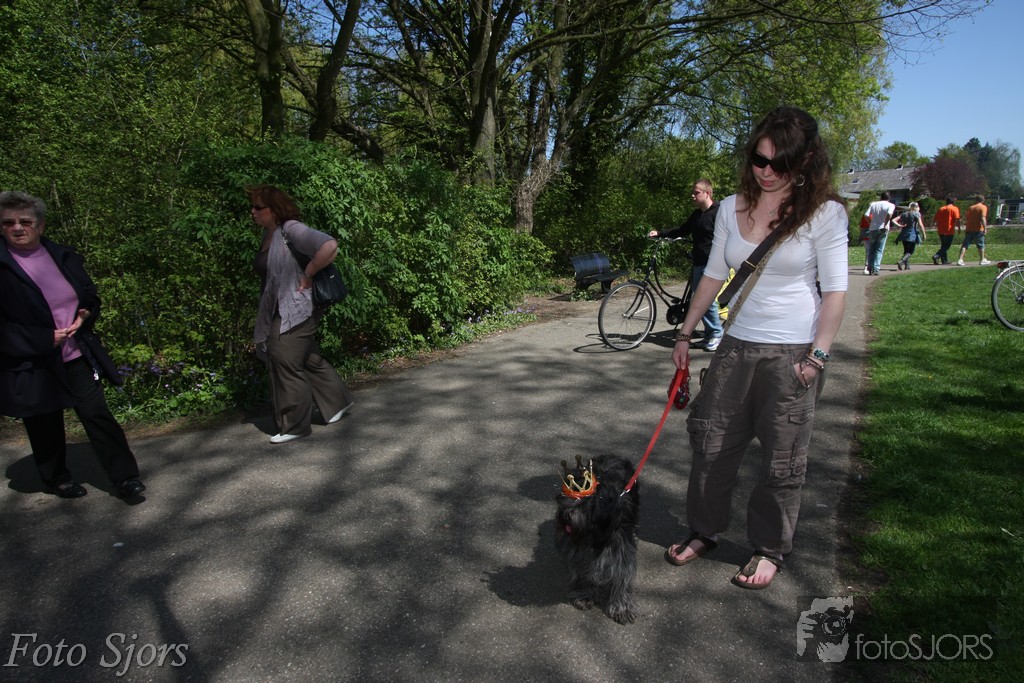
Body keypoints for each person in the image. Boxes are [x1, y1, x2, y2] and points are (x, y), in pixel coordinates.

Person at [662, 107, 848, 590]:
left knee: (782, 458)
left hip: (794, 353)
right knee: (711, 443)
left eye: (779, 164)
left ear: (804, 162)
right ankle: (704, 530)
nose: (766, 172)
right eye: (759, 160)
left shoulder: (825, 214)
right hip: (736, 345)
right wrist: (684, 334)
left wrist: (817, 357)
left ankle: (769, 548)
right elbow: (713, 275)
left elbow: (835, 292)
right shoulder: (729, 207)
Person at [0, 191, 146, 499]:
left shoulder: (62, 254)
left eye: (25, 221)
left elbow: (89, 294)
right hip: (33, 360)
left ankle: (125, 478)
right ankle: (57, 478)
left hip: (75, 352)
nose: (17, 228)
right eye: (8, 223)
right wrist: (42, 339)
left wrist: (86, 312)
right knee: (44, 421)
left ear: (40, 225)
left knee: (97, 413)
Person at [249, 184, 354, 443]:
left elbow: (329, 245)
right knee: (307, 357)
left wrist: (308, 273)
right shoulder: (269, 235)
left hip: (298, 306)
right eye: (251, 207)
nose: (253, 211)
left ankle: (294, 424)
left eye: (258, 207)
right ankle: (337, 402)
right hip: (282, 306)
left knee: (282, 356)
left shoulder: (291, 228)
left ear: (274, 209)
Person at [647, 179, 723, 351]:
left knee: (705, 299)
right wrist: (660, 233)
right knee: (698, 300)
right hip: (698, 262)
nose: (693, 196)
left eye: (696, 192)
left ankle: (716, 334)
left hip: (712, 264)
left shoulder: (719, 213)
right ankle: (710, 334)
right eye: (693, 192)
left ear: (707, 193)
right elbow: (681, 230)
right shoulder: (697, 215)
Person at [864, 191, 896, 275]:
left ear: (881, 197)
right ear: (889, 198)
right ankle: (876, 268)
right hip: (883, 228)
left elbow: (866, 215)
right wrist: (885, 223)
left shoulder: (874, 204)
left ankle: (870, 267)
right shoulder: (891, 205)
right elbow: (889, 214)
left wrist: (870, 223)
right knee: (879, 249)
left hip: (873, 228)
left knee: (871, 249)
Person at [957, 195, 990, 266]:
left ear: (975, 200)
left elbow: (967, 217)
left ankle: (960, 259)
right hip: (978, 229)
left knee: (965, 245)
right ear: (983, 200)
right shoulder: (983, 207)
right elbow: (982, 218)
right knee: (981, 245)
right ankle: (982, 259)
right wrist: (985, 228)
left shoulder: (971, 207)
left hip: (969, 228)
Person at [892, 201, 926, 270]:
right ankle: (901, 261)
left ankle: (907, 266)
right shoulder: (916, 214)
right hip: (912, 234)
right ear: (916, 207)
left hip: (903, 233)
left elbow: (893, 220)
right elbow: (920, 225)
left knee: (906, 250)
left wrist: (899, 225)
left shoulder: (904, 214)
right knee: (911, 251)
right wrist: (924, 234)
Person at [931, 196, 961, 265]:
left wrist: (933, 226)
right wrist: (959, 228)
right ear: (953, 202)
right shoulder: (954, 209)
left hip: (941, 230)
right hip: (949, 230)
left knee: (943, 245)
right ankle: (937, 256)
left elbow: (935, 219)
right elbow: (957, 219)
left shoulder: (941, 209)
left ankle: (944, 260)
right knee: (947, 245)